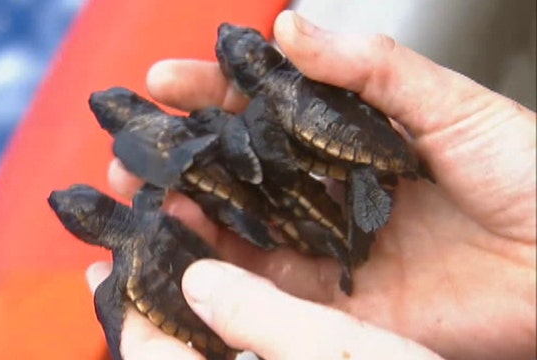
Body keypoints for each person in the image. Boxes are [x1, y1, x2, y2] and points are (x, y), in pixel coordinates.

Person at [86, 10, 536, 360]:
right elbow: (260, 157)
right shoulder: (276, 100)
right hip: (350, 155)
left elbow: (264, 159)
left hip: (343, 163)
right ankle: (352, 225)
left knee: (337, 187)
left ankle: (353, 226)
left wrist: (254, 169)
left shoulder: (259, 113)